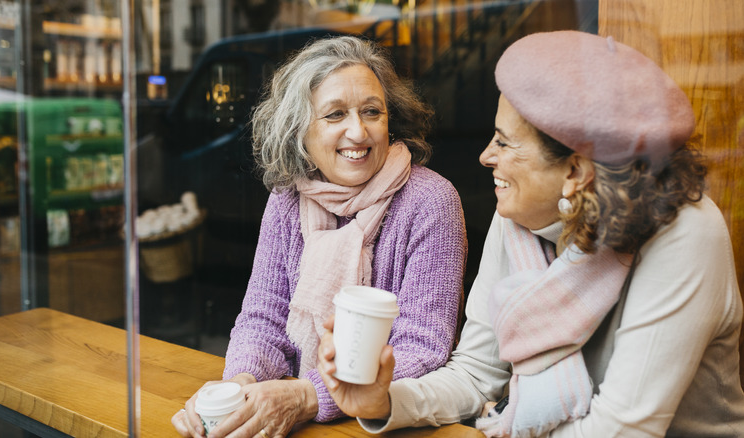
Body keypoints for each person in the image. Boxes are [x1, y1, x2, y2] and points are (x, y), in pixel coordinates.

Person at [318, 30, 744, 437]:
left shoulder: (686, 234)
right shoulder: (519, 216)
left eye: (504, 143)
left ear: (575, 171)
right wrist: (382, 401)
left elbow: (623, 429)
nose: (486, 156)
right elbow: (475, 375)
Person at [171, 35, 468, 438]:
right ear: (300, 132)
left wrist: (307, 396)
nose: (358, 131)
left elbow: (424, 348)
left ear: (389, 120)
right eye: (335, 115)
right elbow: (263, 317)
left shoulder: (431, 201)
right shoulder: (288, 198)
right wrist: (241, 384)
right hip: (296, 421)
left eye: (371, 112)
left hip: (386, 426)